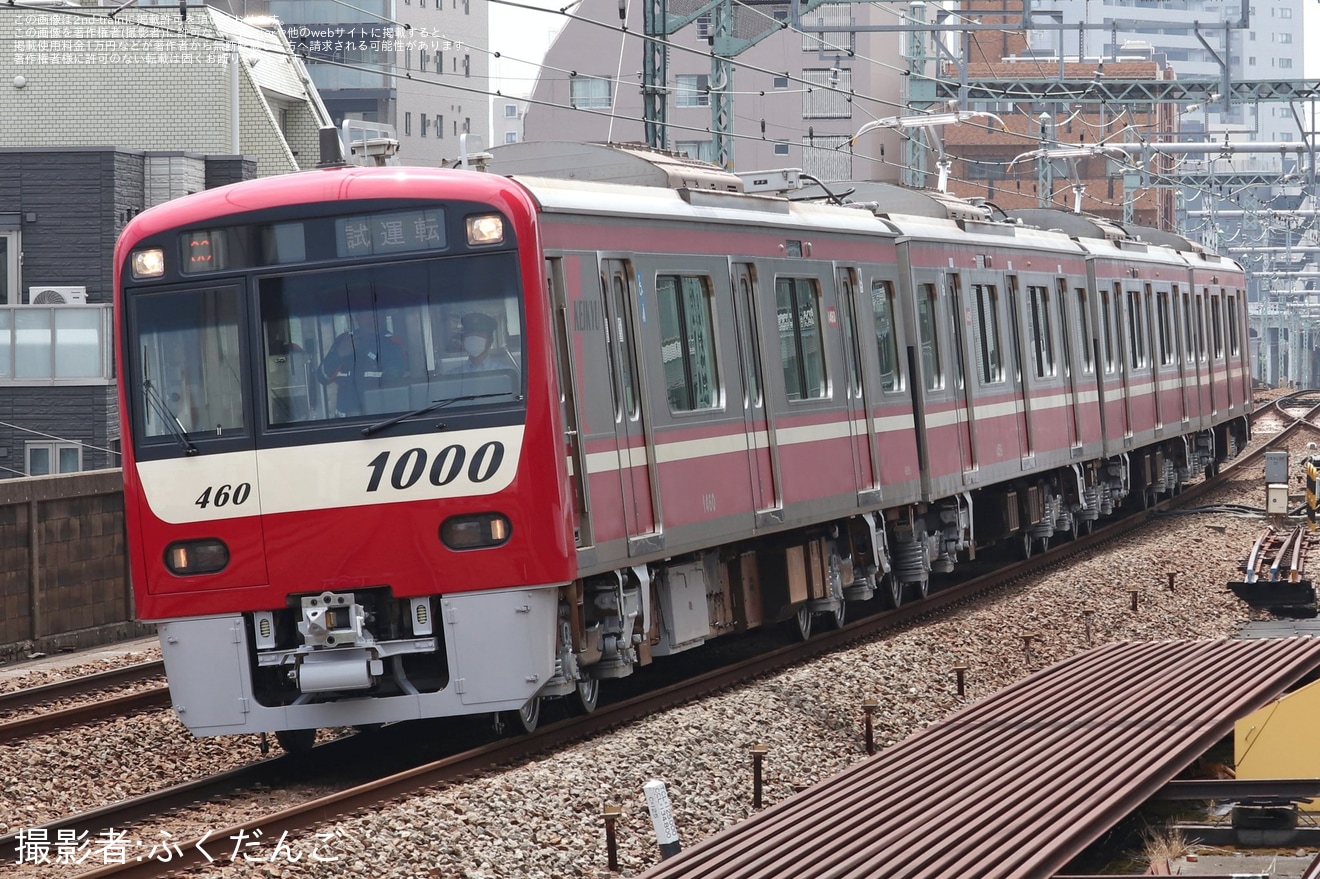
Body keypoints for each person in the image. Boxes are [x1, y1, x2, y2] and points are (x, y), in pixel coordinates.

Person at [317, 309, 409, 416]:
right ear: (357, 317)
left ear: (383, 317)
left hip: (380, 420)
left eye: (377, 313)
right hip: (345, 423)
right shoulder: (343, 340)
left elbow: (397, 381)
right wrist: (340, 354)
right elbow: (322, 377)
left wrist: (370, 352)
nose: (373, 318)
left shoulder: (394, 344)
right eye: (367, 313)